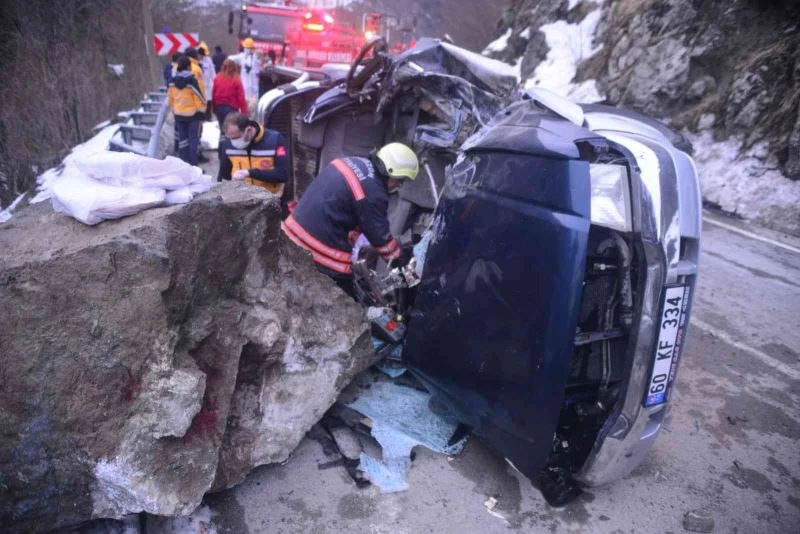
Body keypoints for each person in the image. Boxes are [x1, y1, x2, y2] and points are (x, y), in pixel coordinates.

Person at [282, 143, 419, 297]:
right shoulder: (373, 192)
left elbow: (343, 204)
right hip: (314, 245)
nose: (399, 186)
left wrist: (354, 231)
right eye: (400, 180)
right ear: (390, 171)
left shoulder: (351, 162)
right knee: (346, 294)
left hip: (292, 229)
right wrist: (401, 260)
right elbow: (380, 238)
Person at [218, 112, 289, 197]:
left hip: (270, 197)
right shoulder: (228, 143)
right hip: (241, 199)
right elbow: (224, 175)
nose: (232, 142)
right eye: (229, 138)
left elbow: (283, 174)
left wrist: (250, 173)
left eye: (236, 138)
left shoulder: (275, 140)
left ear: (249, 130)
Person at [168, 56, 206, 165]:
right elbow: (199, 97)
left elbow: (170, 98)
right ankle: (193, 165)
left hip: (178, 114)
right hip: (192, 115)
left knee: (182, 140)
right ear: (189, 66)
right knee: (193, 139)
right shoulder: (191, 81)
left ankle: (184, 165)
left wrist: (174, 109)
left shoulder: (172, 81)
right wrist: (201, 111)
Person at [212, 59, 248, 128]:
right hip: (231, 108)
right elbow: (241, 97)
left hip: (219, 107)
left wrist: (214, 108)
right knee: (230, 131)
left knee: (222, 129)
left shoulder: (217, 77)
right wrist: (244, 112)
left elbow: (213, 93)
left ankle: (221, 138)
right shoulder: (236, 79)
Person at [229, 37, 260, 104]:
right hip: (250, 87)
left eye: (246, 47)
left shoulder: (252, 58)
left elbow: (230, 58)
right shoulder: (251, 58)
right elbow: (231, 58)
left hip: (250, 87)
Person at [198, 43, 216, 121]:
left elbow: (212, 73)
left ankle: (208, 118)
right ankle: (201, 118)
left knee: (208, 102)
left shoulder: (208, 61)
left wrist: (214, 82)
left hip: (208, 86)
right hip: (199, 86)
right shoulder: (195, 61)